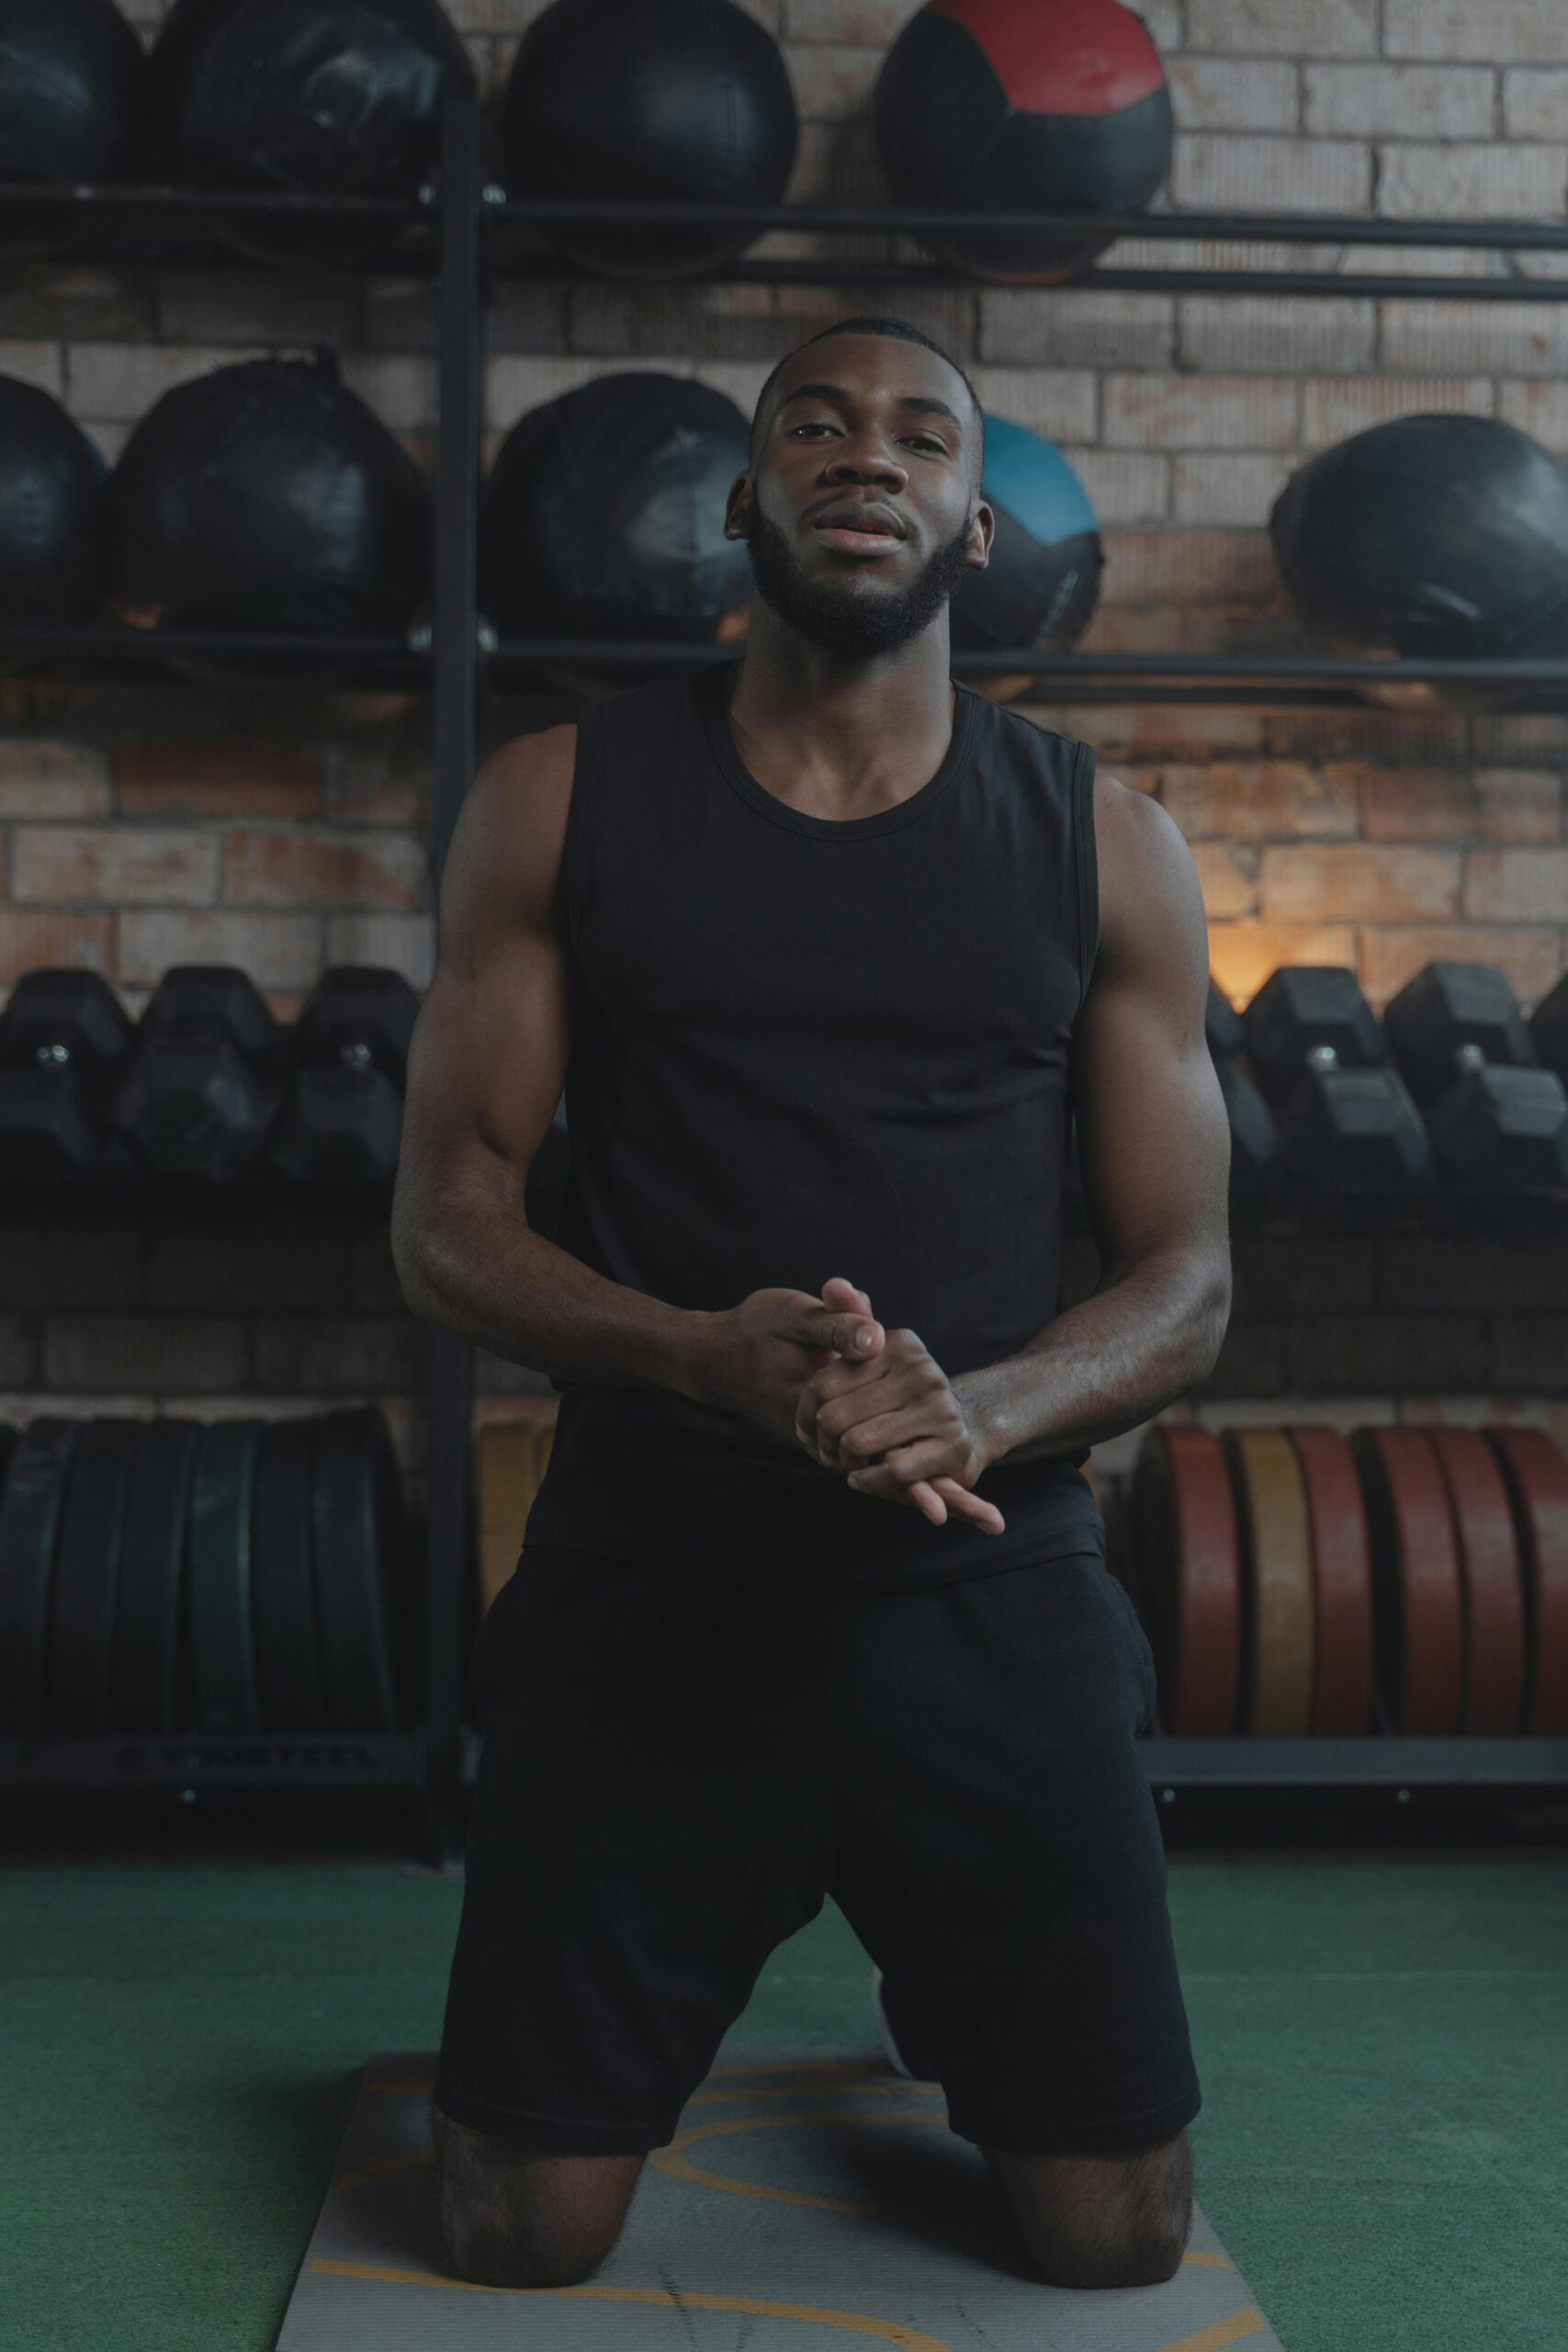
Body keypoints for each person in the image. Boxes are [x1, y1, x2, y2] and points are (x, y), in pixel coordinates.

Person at [391, 314, 1232, 2297]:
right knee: (523, 2230)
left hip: (982, 1571)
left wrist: (988, 1409)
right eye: (815, 425)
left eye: (922, 434)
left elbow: (1184, 1277)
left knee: (1113, 2234)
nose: (868, 456)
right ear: (745, 494)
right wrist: (695, 1350)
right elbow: (441, 1220)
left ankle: (960, 1977)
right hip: (658, 1557)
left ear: (974, 522)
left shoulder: (1105, 840)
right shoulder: (555, 794)